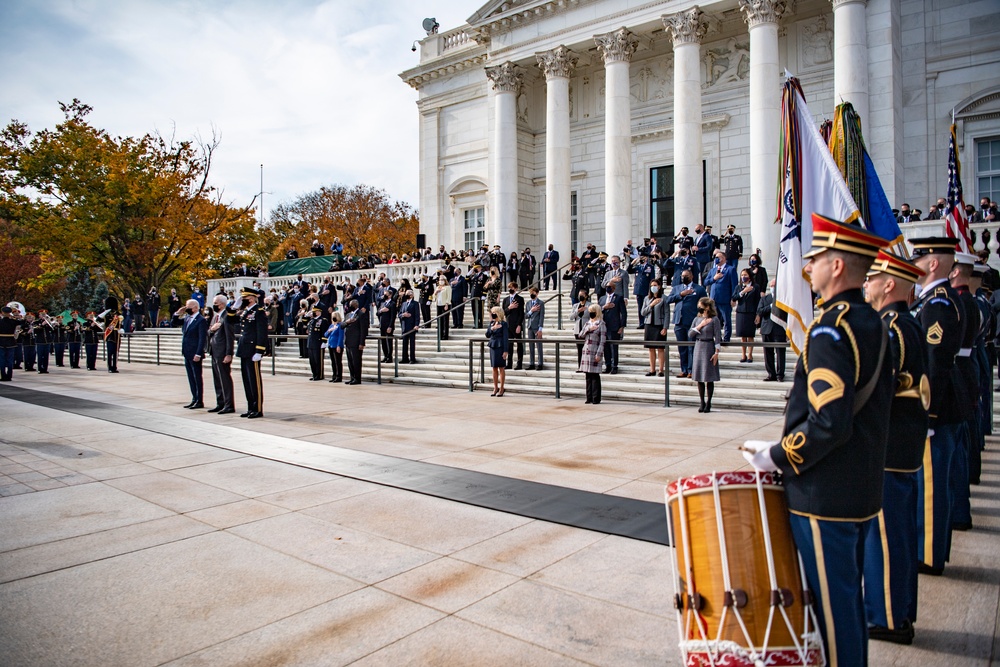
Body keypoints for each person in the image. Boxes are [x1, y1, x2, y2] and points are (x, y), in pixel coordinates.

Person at [742, 214, 893, 666]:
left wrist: (777, 455)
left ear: (839, 267)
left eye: (818, 259)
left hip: (826, 494)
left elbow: (829, 423)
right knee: (846, 604)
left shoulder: (831, 329)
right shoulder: (871, 321)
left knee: (833, 613)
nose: (808, 267)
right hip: (860, 488)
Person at [862, 250, 930, 645]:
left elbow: (877, 389)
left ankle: (888, 615)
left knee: (886, 537)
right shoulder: (907, 324)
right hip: (900, 449)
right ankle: (899, 610)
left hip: (889, 450)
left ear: (890, 284)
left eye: (872, 279)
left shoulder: (894, 329)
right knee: (899, 536)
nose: (866, 285)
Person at [908, 237, 967, 575]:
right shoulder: (934, 300)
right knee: (933, 482)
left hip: (938, 407)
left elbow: (934, 363)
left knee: (930, 485)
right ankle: (932, 548)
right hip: (944, 403)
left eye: (920, 257)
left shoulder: (938, 304)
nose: (914, 262)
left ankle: (928, 553)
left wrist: (926, 414)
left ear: (933, 263)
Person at [949, 251, 980, 533]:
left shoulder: (958, 301)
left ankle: (959, 511)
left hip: (958, 371)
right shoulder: (967, 300)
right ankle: (960, 508)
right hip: (965, 371)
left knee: (957, 448)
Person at [667, 269, 707, 379]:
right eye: (683, 275)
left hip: (692, 322)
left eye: (686, 275)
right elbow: (668, 299)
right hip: (679, 321)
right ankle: (684, 369)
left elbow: (705, 303)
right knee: (682, 348)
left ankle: (691, 370)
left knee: (691, 347)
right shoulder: (677, 288)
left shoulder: (699, 289)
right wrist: (681, 294)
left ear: (692, 276)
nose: (684, 277)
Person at [236, 288, 268, 418]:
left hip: (253, 349)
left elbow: (262, 332)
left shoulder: (259, 312)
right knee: (247, 380)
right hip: (244, 349)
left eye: (246, 297)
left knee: (254, 381)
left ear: (253, 298)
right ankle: (250, 407)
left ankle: (257, 408)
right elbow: (232, 319)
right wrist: (233, 307)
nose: (244, 300)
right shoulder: (245, 312)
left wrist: (259, 350)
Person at [689, 297, 722, 412]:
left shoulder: (714, 319)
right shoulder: (697, 319)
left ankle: (709, 402)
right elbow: (690, 334)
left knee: (709, 377)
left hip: (709, 346)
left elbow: (718, 337)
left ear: (707, 307)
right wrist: (700, 325)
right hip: (699, 346)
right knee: (699, 377)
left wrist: (717, 352)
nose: (699, 307)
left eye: (701, 305)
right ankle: (702, 401)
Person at [207, 294, 236, 414]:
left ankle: (229, 404)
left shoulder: (227, 316)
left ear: (223, 304)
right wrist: (211, 330)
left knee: (224, 378)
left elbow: (230, 337)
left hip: (223, 352)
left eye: (216, 303)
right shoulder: (215, 317)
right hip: (214, 351)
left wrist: (229, 353)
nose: (214, 306)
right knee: (217, 379)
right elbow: (209, 332)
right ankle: (220, 402)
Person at [180, 299, 208, 408]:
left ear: (196, 307)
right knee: (191, 377)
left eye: (189, 307)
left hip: (195, 352)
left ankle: (199, 400)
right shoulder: (187, 318)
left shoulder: (201, 320)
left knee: (197, 377)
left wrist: (198, 353)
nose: (187, 309)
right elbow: (175, 322)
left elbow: (202, 338)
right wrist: (178, 313)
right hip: (187, 352)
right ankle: (194, 398)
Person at [757, 279, 786, 382]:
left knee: (780, 352)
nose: (773, 286)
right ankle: (771, 374)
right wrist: (770, 306)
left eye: (775, 285)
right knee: (768, 353)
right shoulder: (765, 298)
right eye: (771, 285)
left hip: (779, 328)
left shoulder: (784, 299)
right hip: (766, 329)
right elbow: (760, 311)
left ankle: (780, 375)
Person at [704, 250, 736, 341]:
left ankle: (726, 338)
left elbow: (734, 285)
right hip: (714, 299)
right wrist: (714, 278)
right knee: (715, 320)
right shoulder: (713, 270)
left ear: (724, 258)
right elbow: (706, 281)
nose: (716, 259)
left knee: (726, 320)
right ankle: (718, 338)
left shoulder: (730, 269)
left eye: (718, 257)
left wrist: (733, 298)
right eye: (715, 257)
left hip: (725, 299)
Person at [579, 303, 607, 404]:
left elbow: (602, 340)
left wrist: (599, 354)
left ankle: (596, 397)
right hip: (586, 351)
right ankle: (588, 397)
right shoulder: (587, 323)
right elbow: (580, 335)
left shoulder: (601, 324)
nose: (591, 313)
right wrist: (588, 329)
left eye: (592, 311)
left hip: (595, 351)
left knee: (594, 375)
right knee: (587, 375)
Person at [732, 268, 761, 363]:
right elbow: (734, 297)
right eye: (742, 275)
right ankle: (743, 354)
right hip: (741, 312)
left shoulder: (756, 287)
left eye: (745, 275)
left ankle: (750, 354)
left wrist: (758, 314)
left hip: (751, 313)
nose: (743, 277)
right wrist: (743, 291)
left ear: (749, 276)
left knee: (750, 335)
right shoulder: (739, 287)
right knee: (743, 336)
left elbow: (758, 301)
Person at [641, 279, 668, 376]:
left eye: (655, 285)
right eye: (652, 285)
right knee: (651, 348)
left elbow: (666, 313)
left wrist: (665, 327)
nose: (653, 287)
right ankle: (652, 369)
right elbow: (643, 312)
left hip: (659, 325)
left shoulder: (664, 298)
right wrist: (651, 305)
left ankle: (661, 370)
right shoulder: (646, 299)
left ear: (659, 286)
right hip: (649, 324)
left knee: (660, 348)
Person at [598, 282, 625, 374]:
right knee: (605, 347)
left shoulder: (618, 298)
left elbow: (623, 313)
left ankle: (614, 366)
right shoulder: (602, 298)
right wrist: (604, 307)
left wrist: (622, 326)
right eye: (607, 287)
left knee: (614, 347)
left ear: (613, 288)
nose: (608, 288)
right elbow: (597, 311)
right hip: (603, 326)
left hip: (614, 326)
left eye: (609, 287)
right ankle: (608, 365)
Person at [486, 306, 509, 396]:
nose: (492, 314)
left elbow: (505, 337)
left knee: (501, 367)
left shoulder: (504, 324)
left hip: (500, 346)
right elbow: (487, 334)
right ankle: (495, 387)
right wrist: (493, 328)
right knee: (494, 367)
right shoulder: (492, 323)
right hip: (493, 346)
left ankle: (502, 388)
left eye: (494, 312)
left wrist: (505, 351)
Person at [502, 282, 525, 370]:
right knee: (509, 345)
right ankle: (509, 363)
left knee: (519, 345)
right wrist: (509, 307)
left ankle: (519, 363)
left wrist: (519, 325)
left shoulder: (520, 299)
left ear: (515, 288)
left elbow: (521, 314)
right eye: (509, 287)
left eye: (511, 287)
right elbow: (503, 312)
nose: (510, 289)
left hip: (516, 324)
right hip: (508, 325)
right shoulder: (506, 300)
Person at [342, 299, 365, 385]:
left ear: (356, 305)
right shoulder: (348, 315)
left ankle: (357, 378)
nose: (349, 306)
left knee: (356, 361)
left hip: (356, 341)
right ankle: (352, 377)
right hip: (348, 341)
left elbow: (363, 330)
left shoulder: (361, 314)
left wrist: (362, 343)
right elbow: (342, 325)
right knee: (350, 361)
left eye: (351, 304)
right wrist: (347, 322)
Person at [631, 254, 656, 327]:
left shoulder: (650, 267)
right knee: (640, 307)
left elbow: (652, 279)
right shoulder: (637, 267)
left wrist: (650, 290)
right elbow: (629, 270)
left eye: (643, 257)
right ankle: (641, 322)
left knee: (647, 306)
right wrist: (633, 262)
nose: (642, 259)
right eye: (641, 257)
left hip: (646, 289)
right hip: (638, 289)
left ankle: (647, 322)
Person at [306, 305, 329, 381]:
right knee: (312, 360)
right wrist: (306, 316)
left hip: (318, 343)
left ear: (319, 312)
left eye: (314, 312)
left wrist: (324, 341)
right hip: (311, 343)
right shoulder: (311, 320)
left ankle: (319, 375)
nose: (313, 313)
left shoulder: (323, 320)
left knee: (318, 360)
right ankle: (314, 374)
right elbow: (305, 325)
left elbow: (324, 332)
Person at [525, 287, 545, 371]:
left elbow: (541, 316)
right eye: (530, 293)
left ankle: (540, 363)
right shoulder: (528, 303)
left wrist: (540, 329)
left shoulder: (541, 303)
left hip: (537, 326)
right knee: (531, 346)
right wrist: (531, 310)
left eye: (533, 293)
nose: (532, 294)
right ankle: (531, 363)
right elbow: (526, 315)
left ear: (537, 293)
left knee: (539, 345)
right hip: (529, 326)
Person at [398, 289, 420, 364]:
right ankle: (405, 358)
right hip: (404, 326)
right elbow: (399, 314)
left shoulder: (415, 303)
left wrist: (417, 324)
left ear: (412, 295)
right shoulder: (403, 303)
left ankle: (412, 358)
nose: (406, 295)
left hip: (412, 326)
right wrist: (403, 315)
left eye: (408, 293)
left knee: (412, 343)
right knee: (404, 343)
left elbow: (417, 315)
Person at [377, 290, 397, 363]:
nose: (384, 295)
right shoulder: (382, 303)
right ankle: (385, 356)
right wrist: (381, 310)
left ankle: (389, 356)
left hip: (388, 326)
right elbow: (377, 313)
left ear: (390, 295)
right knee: (383, 342)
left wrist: (390, 326)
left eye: (386, 294)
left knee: (389, 342)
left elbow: (393, 316)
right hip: (382, 326)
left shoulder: (392, 304)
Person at [571, 290, 590, 366]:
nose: (580, 296)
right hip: (577, 329)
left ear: (586, 296)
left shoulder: (590, 305)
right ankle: (580, 365)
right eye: (579, 295)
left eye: (582, 295)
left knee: (587, 348)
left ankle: (587, 365)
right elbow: (571, 317)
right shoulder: (575, 306)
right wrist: (577, 311)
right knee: (579, 348)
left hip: (586, 328)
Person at [325, 312, 344, 382]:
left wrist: (339, 345)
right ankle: (334, 375)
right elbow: (325, 334)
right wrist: (330, 330)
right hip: (331, 345)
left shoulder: (340, 325)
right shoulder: (331, 325)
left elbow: (341, 336)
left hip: (337, 345)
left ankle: (339, 376)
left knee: (337, 361)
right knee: (333, 361)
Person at [0, 306, 18, 381]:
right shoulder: (13, 321)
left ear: (2, 313)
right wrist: (14, 316)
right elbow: (22, 322)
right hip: (11, 341)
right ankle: (9, 376)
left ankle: (3, 376)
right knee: (10, 360)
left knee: (2, 360)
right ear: (9, 313)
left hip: (1, 341)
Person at [433, 276, 452, 341]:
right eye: (440, 280)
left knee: (445, 320)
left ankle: (445, 335)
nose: (440, 281)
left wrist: (447, 303)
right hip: (438, 304)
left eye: (442, 280)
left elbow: (449, 296)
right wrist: (436, 292)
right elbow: (433, 296)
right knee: (439, 320)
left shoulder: (447, 287)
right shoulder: (438, 287)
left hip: (445, 305)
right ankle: (440, 334)